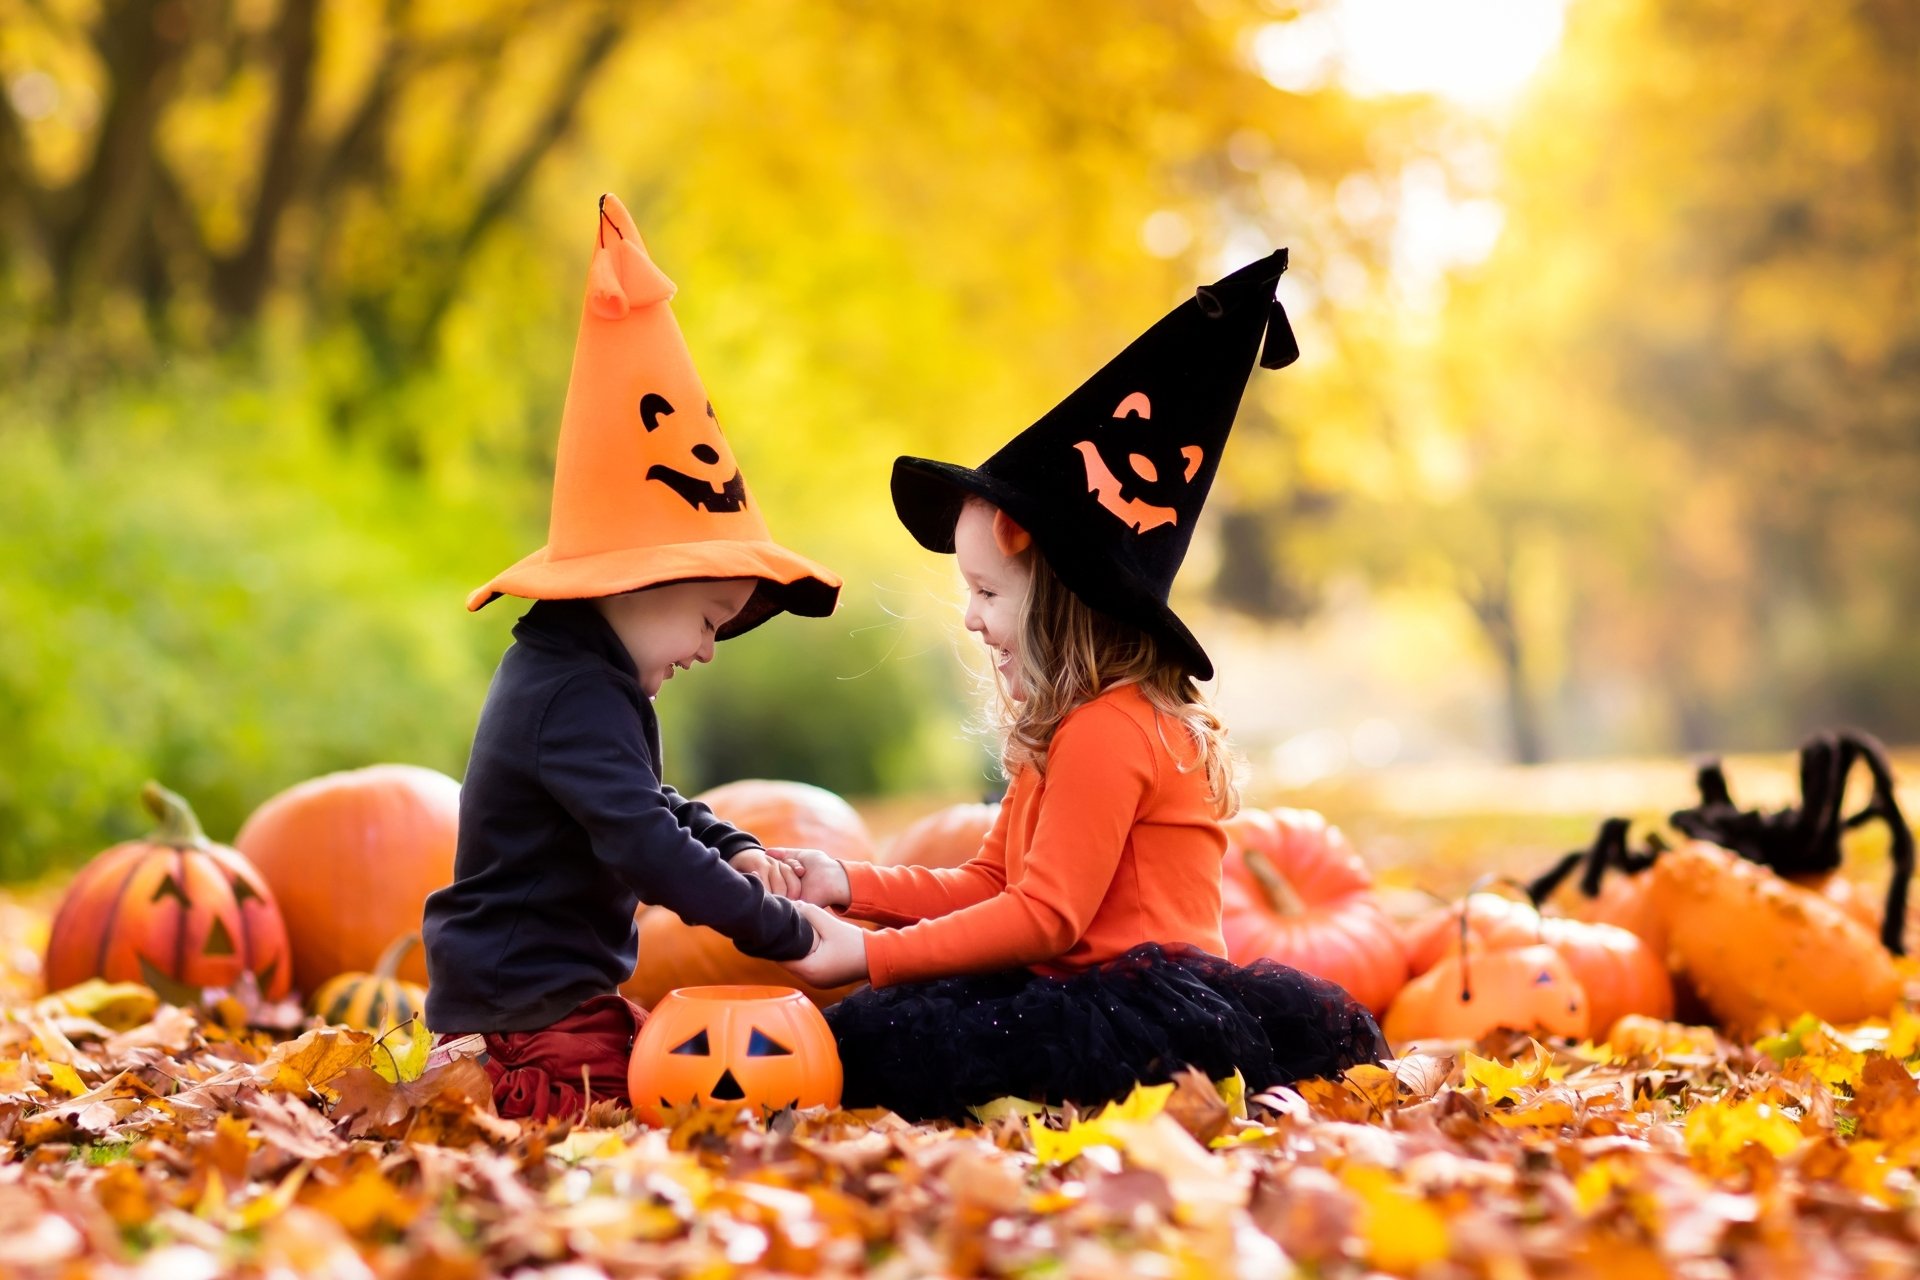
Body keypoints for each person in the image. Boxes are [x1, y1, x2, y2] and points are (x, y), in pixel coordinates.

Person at [779, 252, 1387, 1121]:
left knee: (885, 1045)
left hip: (1138, 1020)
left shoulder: (1112, 727)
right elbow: (991, 883)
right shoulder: (1067, 725)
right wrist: (847, 883)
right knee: (881, 1035)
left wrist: (868, 956)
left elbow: (1046, 919)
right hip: (1070, 992)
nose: (970, 619)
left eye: (988, 593)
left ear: (1065, 603)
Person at [423, 194, 841, 1123]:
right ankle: (491, 1080)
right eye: (710, 618)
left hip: (552, 997)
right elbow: (644, 846)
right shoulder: (568, 692)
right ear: (642, 581)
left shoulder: (582, 675)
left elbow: (649, 805)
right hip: (521, 1011)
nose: (710, 649)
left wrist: (732, 846)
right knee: (662, 1098)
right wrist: (780, 931)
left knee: (680, 1063)